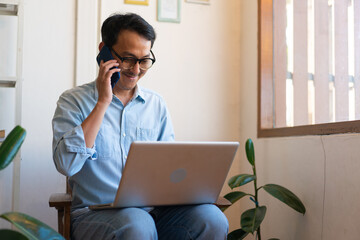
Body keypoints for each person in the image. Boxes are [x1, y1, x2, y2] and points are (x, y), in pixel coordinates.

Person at [52, 12, 228, 240]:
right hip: (95, 216)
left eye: (144, 60)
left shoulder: (156, 105)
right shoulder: (73, 101)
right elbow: (66, 165)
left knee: (212, 219)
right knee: (137, 224)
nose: (136, 70)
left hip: (154, 213)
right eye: (127, 59)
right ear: (104, 51)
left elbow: (170, 169)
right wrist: (103, 102)